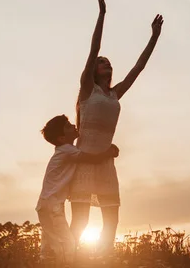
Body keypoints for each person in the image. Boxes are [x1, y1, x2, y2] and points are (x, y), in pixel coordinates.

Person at [69, 0, 164, 255]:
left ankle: (104, 259)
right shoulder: (88, 90)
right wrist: (102, 14)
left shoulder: (114, 93)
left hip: (106, 162)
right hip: (85, 160)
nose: (105, 64)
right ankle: (72, 259)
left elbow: (139, 67)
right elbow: (94, 48)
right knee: (80, 221)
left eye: (108, 63)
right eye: (101, 63)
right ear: (93, 70)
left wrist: (154, 37)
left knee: (112, 220)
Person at [36, 114, 119, 266]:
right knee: (66, 242)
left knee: (50, 242)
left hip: (46, 204)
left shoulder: (65, 150)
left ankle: (47, 263)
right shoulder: (67, 150)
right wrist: (109, 152)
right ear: (62, 138)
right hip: (52, 205)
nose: (74, 126)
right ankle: (66, 264)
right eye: (68, 126)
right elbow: (92, 159)